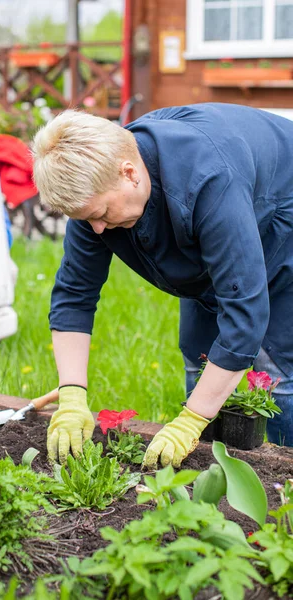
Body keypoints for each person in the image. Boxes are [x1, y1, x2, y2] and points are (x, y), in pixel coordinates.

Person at [32, 103, 293, 468]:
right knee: (200, 353)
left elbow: (245, 317)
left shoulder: (209, 178)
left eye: (102, 215)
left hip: (281, 217)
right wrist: (72, 394)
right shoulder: (94, 191)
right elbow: (75, 295)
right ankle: (209, 468)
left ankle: (284, 479)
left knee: (278, 371)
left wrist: (190, 420)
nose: (97, 230)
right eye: (86, 219)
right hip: (214, 218)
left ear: (129, 174)